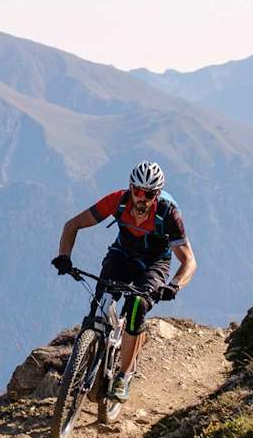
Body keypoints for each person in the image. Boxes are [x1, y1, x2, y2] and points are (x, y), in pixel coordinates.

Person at [51, 161, 197, 403]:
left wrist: (175, 285)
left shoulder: (168, 214)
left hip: (154, 264)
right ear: (130, 188)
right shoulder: (117, 200)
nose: (141, 198)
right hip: (122, 255)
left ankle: (124, 375)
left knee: (136, 307)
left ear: (157, 194)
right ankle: (88, 360)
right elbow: (72, 225)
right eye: (137, 191)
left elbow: (189, 261)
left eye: (148, 194)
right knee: (99, 305)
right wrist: (64, 256)